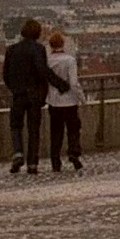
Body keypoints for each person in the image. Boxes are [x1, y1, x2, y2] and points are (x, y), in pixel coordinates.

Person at [1, 18, 67, 174]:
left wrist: (14, 88)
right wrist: (60, 84)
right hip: (34, 95)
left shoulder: (12, 49)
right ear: (37, 33)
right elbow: (43, 71)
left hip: (18, 94)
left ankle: (18, 152)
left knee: (15, 126)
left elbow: (5, 74)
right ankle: (32, 163)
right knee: (33, 129)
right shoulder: (38, 49)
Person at [45, 31, 84, 172]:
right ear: (63, 44)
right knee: (73, 129)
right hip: (70, 102)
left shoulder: (47, 61)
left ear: (50, 45)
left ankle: (55, 161)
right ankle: (73, 152)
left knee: (56, 132)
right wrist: (82, 98)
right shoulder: (70, 60)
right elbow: (74, 83)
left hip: (54, 102)